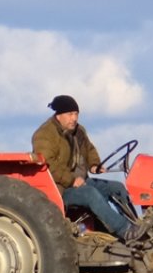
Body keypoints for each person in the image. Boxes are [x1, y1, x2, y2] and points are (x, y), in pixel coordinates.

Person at [32, 95, 145, 242]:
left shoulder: (78, 131)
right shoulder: (45, 135)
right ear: (59, 115)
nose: (74, 118)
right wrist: (71, 180)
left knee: (116, 187)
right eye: (70, 114)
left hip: (82, 181)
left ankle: (135, 225)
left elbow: (89, 149)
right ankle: (124, 231)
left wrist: (94, 164)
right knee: (90, 194)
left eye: (76, 114)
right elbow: (49, 166)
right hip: (61, 188)